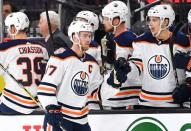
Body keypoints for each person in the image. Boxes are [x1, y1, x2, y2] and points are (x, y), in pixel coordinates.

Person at [110, 4, 190, 108]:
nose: (150, 24)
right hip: (147, 103)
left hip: (174, 105)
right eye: (149, 20)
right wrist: (126, 68)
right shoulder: (141, 41)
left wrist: (188, 87)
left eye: (155, 20)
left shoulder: (183, 41)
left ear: (166, 22)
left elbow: (189, 71)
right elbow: (137, 66)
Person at [37, 21, 103, 131]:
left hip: (82, 121)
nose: (89, 39)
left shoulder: (92, 63)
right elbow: (45, 89)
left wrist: (114, 81)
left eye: (90, 36)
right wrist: (51, 107)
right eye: (85, 35)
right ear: (74, 37)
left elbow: (96, 92)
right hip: (59, 118)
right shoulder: (60, 58)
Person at [0, 12, 48, 114]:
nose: (8, 31)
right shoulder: (42, 48)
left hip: (12, 105)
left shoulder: (5, 48)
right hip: (38, 104)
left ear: (14, 28)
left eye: (9, 28)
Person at [100, 0, 141, 110]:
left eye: (105, 19)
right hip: (114, 95)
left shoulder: (126, 39)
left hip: (125, 98)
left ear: (116, 20)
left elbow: (132, 69)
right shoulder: (112, 38)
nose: (103, 22)